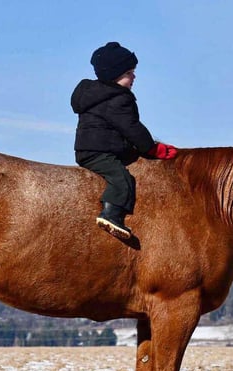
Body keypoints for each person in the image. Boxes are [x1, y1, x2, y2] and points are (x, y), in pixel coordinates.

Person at [71, 41, 177, 240]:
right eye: (129, 72)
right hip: (99, 152)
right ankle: (111, 215)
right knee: (122, 180)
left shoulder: (95, 95)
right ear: (115, 75)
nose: (134, 76)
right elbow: (132, 128)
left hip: (92, 148)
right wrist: (153, 149)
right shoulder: (117, 99)